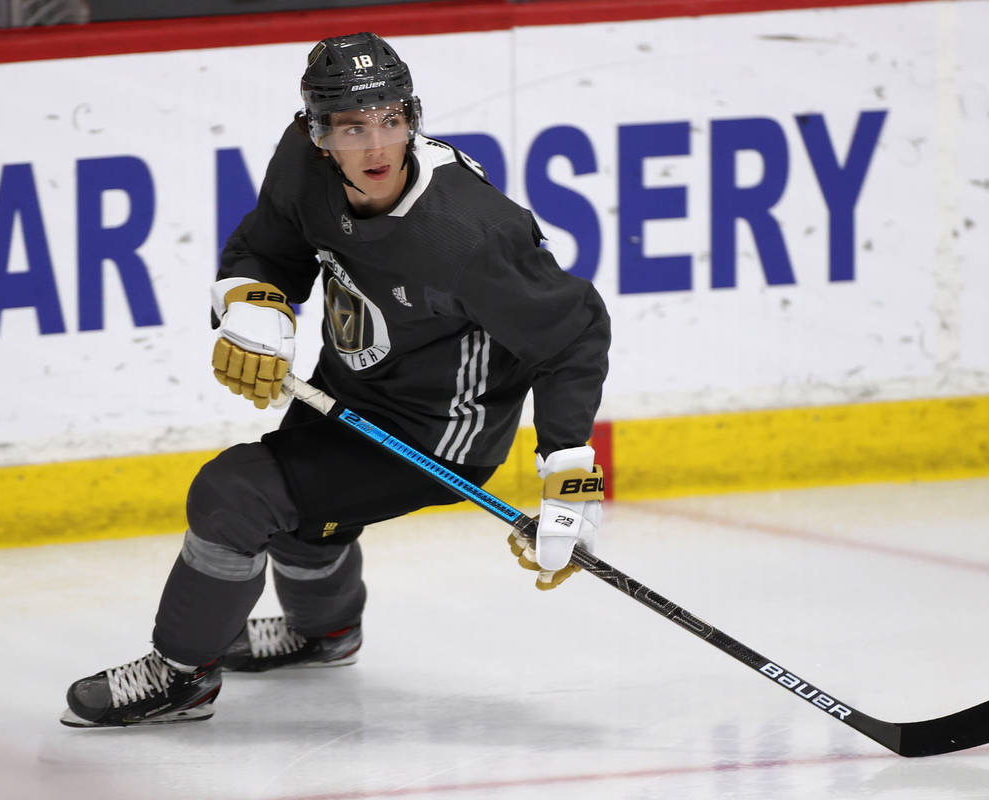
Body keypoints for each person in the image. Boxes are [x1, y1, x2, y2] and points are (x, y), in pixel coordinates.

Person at [61, 31, 611, 728]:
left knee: (234, 494)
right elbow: (267, 246)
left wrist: (569, 471)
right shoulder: (303, 166)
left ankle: (179, 676)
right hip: (349, 389)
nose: (377, 146)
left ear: (413, 116)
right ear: (318, 132)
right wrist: (255, 303)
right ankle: (325, 633)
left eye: (391, 119)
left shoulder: (470, 234)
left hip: (438, 436)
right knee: (302, 527)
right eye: (353, 125)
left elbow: (574, 334)